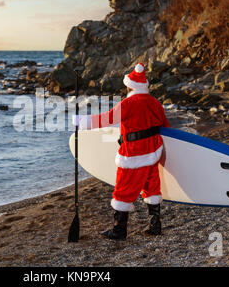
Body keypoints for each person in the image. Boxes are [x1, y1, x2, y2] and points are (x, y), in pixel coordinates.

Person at [72, 63, 170, 240]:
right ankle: (155, 225)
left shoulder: (128, 103)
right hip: (153, 152)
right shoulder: (156, 103)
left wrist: (81, 121)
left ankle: (119, 230)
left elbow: (107, 119)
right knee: (151, 187)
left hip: (133, 154)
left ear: (130, 86)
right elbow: (166, 128)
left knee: (123, 190)